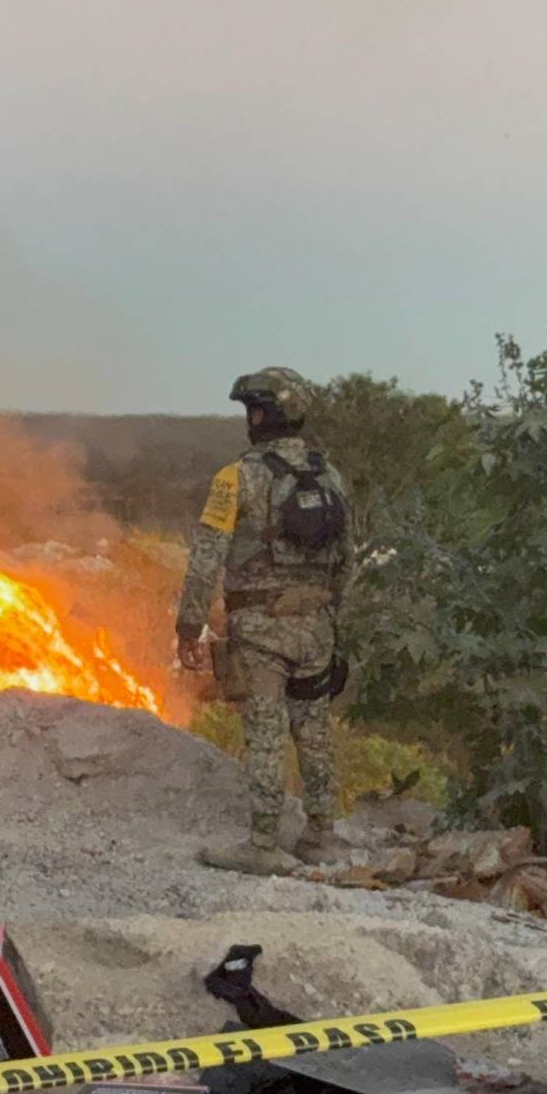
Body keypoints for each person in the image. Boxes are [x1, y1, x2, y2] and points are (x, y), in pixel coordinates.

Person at [176, 367, 355, 875]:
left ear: (261, 415)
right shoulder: (329, 475)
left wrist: (188, 627)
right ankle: (322, 835)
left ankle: (262, 844)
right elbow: (349, 556)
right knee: (314, 729)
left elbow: (206, 558)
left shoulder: (236, 478)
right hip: (315, 623)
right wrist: (327, 611)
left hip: (259, 629)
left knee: (266, 731)